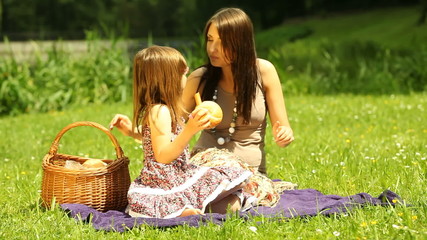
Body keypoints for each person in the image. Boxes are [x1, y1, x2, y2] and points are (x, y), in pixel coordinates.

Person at [109, 46, 252, 218]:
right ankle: (180, 211)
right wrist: (190, 130)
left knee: (233, 201)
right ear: (168, 79)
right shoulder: (160, 111)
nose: (186, 78)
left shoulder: (163, 109)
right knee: (230, 200)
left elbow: (154, 138)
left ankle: (186, 209)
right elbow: (162, 155)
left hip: (180, 172)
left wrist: (131, 131)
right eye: (183, 74)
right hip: (165, 181)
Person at [182, 8, 294, 175]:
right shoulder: (199, 79)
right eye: (210, 39)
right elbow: (172, 129)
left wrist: (284, 135)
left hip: (249, 173)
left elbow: (284, 130)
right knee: (219, 195)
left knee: (232, 199)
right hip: (204, 168)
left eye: (222, 42)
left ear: (241, 43)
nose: (212, 49)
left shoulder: (264, 72)